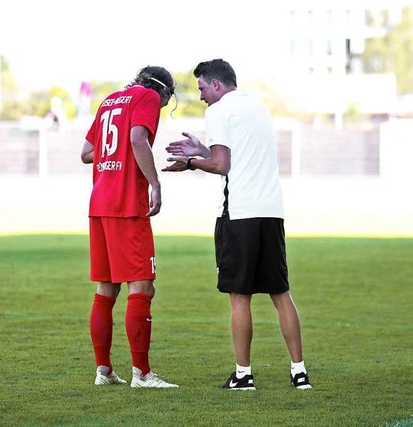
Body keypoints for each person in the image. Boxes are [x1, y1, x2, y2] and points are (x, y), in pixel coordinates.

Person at [162, 59, 312, 390]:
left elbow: (221, 164)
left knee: (239, 297)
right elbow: (234, 155)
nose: (200, 96)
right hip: (271, 212)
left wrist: (190, 162)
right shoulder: (257, 107)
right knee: (281, 293)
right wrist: (202, 149)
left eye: (202, 88)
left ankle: (243, 375)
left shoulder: (217, 112)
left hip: (239, 214)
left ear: (216, 85)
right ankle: (299, 372)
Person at [80, 65, 178, 388]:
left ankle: (103, 370)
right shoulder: (147, 96)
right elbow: (137, 138)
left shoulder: (110, 100)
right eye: (167, 102)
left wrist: (115, 157)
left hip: (99, 205)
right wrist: (155, 183)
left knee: (106, 289)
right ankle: (142, 373)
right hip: (126, 205)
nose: (162, 108)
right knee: (142, 287)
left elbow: (87, 152)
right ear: (162, 91)